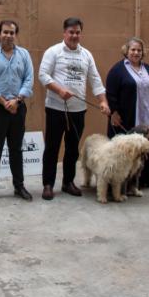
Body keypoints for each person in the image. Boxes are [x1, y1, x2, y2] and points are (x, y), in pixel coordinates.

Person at [38, 17, 111, 200]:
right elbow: (43, 75)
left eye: (77, 32)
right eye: (71, 32)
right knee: (52, 148)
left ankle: (68, 182)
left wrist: (103, 101)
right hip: (56, 109)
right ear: (64, 33)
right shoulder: (53, 52)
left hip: (78, 110)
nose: (74, 35)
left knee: (73, 148)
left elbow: (95, 79)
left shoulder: (86, 54)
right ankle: (48, 184)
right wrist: (59, 90)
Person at [0, 20, 35, 204]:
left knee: (16, 149)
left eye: (12, 33)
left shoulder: (24, 54)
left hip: (18, 107)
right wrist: (4, 102)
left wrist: (17, 100)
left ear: (15, 35)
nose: (8, 36)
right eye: (5, 32)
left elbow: (29, 79)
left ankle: (19, 186)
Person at [104, 36, 149, 188]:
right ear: (126, 51)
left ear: (143, 52)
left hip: (147, 116)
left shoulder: (148, 69)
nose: (136, 53)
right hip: (126, 117)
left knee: (147, 146)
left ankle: (146, 179)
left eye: (139, 50)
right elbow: (110, 93)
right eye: (133, 49)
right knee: (126, 150)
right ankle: (122, 183)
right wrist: (114, 113)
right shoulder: (117, 70)